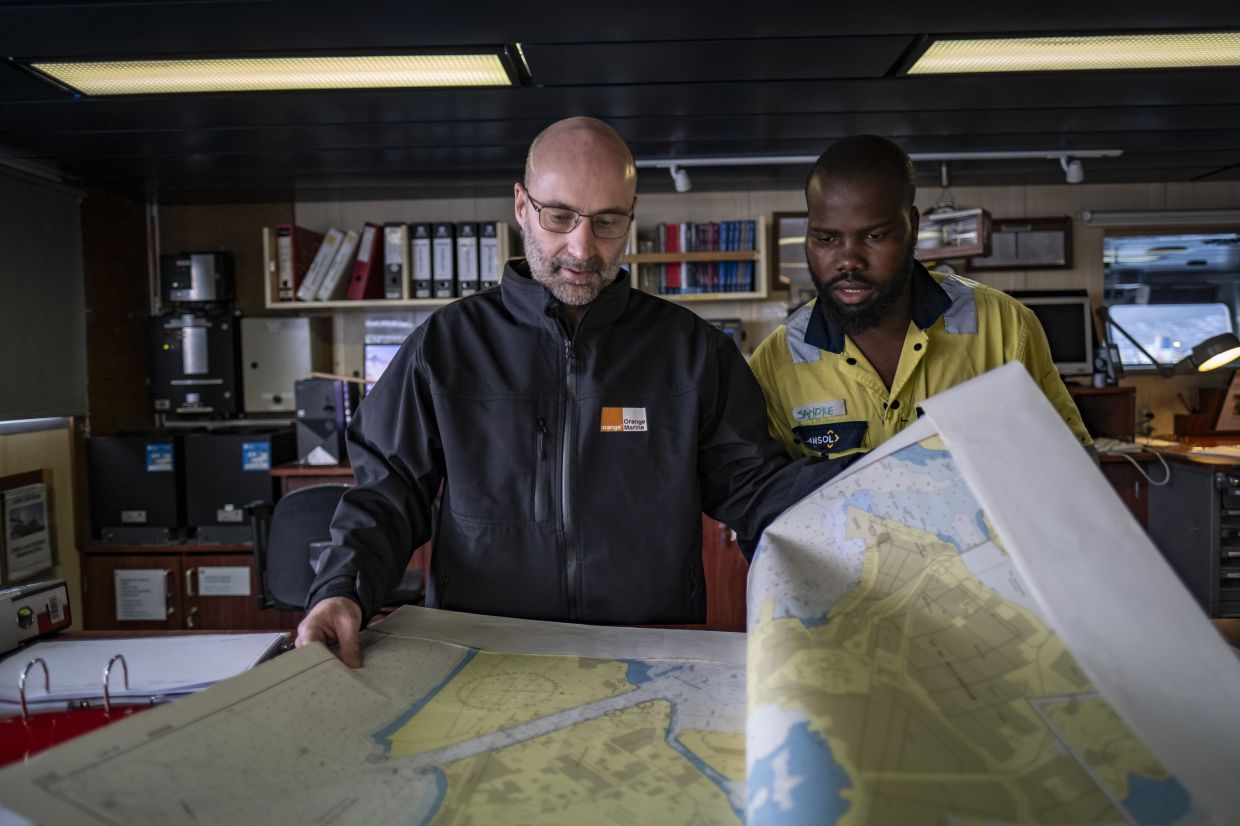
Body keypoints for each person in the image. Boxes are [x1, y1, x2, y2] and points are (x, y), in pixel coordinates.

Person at [297, 117, 854, 666]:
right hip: (482, 651)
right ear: (521, 206)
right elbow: (388, 492)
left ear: (632, 217)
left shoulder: (692, 352)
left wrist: (891, 471)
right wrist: (342, 587)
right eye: (559, 216)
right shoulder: (446, 346)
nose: (582, 247)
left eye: (608, 221)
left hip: (642, 653)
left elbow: (755, 490)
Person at [750, 134, 1092, 461]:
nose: (848, 260)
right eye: (826, 239)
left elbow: (1073, 466)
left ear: (912, 226)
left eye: (873, 235)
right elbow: (766, 499)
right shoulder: (776, 361)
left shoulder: (1005, 327)